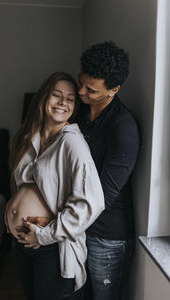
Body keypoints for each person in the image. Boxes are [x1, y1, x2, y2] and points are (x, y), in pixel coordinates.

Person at [5, 72, 105, 300]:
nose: (63, 102)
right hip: (22, 244)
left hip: (51, 249)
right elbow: (23, 183)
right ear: (44, 98)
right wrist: (11, 205)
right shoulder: (29, 135)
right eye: (56, 95)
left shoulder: (72, 142)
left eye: (70, 99)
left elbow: (92, 202)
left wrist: (44, 235)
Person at [76, 41, 140, 300]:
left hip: (107, 237)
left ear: (114, 89)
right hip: (79, 225)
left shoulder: (123, 128)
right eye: (81, 82)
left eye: (90, 90)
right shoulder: (80, 110)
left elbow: (102, 196)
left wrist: (56, 223)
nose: (81, 91)